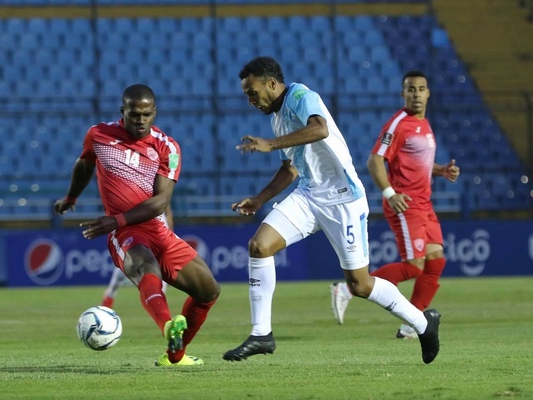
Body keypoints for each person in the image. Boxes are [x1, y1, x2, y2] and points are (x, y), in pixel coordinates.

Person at [222, 56, 440, 365]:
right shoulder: (277, 119)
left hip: (343, 200)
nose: (250, 100)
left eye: (252, 91)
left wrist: (270, 144)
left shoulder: (300, 95)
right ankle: (261, 334)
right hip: (309, 196)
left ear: (271, 84)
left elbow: (320, 129)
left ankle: (423, 324)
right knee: (259, 246)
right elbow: (291, 169)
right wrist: (260, 199)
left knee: (360, 285)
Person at [54, 84, 220, 367]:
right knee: (146, 268)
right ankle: (168, 326)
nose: (141, 121)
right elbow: (84, 164)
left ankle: (174, 356)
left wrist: (113, 219)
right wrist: (71, 197)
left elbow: (160, 201)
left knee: (208, 291)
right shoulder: (99, 135)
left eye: (146, 114)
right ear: (123, 111)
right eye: (134, 114)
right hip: (126, 232)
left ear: (154, 112)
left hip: (155, 229)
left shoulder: (167, 147)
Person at [331, 71, 460, 339]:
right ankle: (349, 288)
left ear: (428, 93)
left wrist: (441, 171)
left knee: (436, 262)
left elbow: (416, 163)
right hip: (405, 203)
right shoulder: (399, 124)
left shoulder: (424, 125)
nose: (416, 93)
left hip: (425, 204)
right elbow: (374, 160)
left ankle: (412, 324)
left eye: (421, 88)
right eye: (411, 89)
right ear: (403, 94)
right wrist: (390, 194)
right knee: (414, 266)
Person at [100, 204, 172, 309]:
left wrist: (170, 232)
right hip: (143, 234)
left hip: (161, 235)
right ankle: (108, 299)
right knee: (123, 270)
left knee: (160, 275)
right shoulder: (138, 197)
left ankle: (159, 307)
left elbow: (168, 212)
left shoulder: (158, 198)